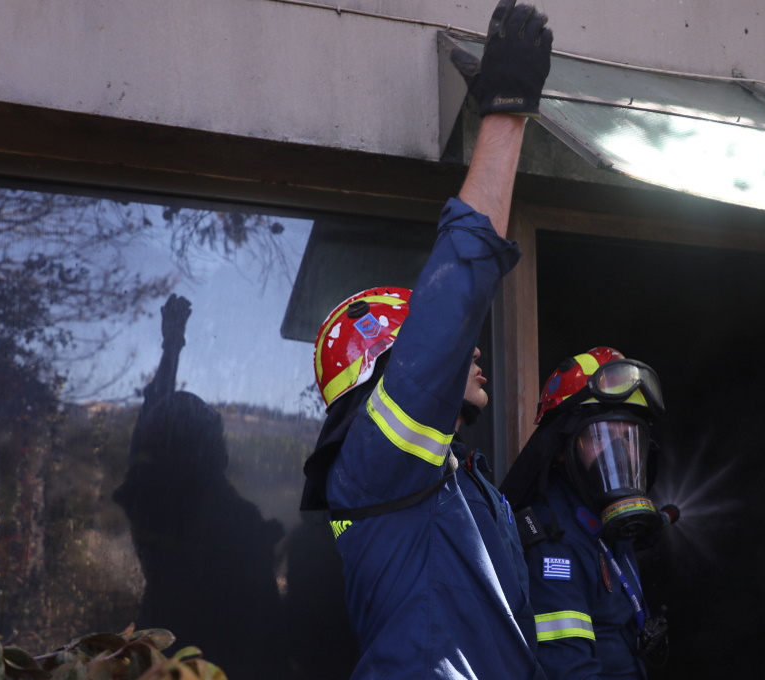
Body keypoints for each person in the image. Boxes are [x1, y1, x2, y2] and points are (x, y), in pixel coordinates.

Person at [297, 2, 553, 677]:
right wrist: (505, 114)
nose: (469, 350)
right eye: (420, 348)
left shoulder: (445, 479)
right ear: (387, 371)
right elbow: (454, 300)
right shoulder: (375, 458)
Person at [114, 294, 289, 680]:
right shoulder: (225, 517)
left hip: (163, 656)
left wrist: (172, 347)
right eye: (216, 438)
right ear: (214, 452)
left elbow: (149, 429)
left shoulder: (154, 501)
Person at [500, 347, 674, 680]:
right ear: (563, 450)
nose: (620, 451)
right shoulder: (553, 541)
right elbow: (569, 670)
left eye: (629, 436)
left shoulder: (607, 526)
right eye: (604, 435)